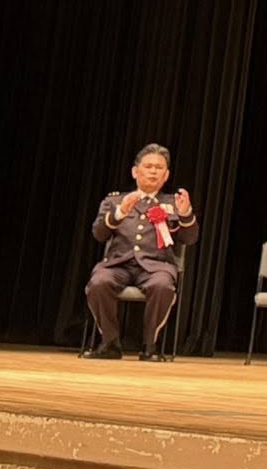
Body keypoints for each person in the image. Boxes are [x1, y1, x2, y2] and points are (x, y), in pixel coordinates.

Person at [83, 144, 197, 360]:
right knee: (99, 282)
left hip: (156, 266)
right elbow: (99, 234)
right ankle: (109, 342)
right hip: (118, 264)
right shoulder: (115, 200)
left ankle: (150, 345)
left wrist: (186, 214)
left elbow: (189, 239)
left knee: (162, 286)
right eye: (148, 166)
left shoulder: (174, 203)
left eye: (159, 168)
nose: (153, 171)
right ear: (135, 171)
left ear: (166, 175)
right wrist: (119, 213)